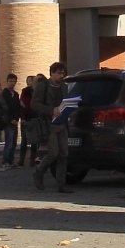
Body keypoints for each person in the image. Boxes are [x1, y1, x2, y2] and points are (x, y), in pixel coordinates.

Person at [30, 64, 71, 193]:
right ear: (52, 73)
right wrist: (51, 110)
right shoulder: (43, 86)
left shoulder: (64, 87)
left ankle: (61, 184)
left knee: (64, 154)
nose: (61, 76)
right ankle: (39, 172)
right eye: (58, 73)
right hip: (49, 124)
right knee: (53, 153)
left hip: (62, 123)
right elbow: (34, 104)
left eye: (63, 73)